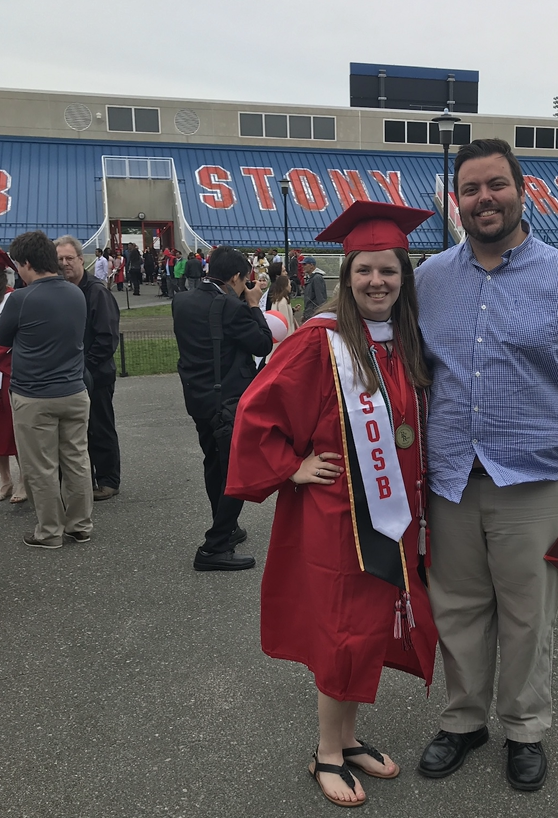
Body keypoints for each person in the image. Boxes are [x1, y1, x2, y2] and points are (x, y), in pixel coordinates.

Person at [415, 139, 558, 792]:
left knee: (530, 616)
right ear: (458, 201)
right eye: (471, 189)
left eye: (496, 185)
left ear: (521, 189)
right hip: (451, 480)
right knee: (459, 610)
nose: (484, 199)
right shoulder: (429, 279)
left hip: (537, 482)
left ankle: (525, 728)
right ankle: (464, 719)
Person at [225, 201, 438, 808]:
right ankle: (325, 753)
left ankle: (346, 740)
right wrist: (291, 468)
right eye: (365, 270)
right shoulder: (320, 342)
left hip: (391, 515)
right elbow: (253, 412)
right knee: (340, 629)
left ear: (404, 279)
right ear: (347, 277)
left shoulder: (403, 340)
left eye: (389, 272)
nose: (377, 282)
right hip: (336, 517)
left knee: (366, 627)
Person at [172, 246, 273, 571]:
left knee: (214, 463)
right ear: (235, 278)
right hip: (228, 400)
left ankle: (227, 526)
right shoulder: (232, 306)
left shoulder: (182, 301)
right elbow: (262, 342)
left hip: (198, 398)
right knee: (238, 471)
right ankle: (214, 546)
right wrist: (254, 304)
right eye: (244, 280)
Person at [0, 231, 93, 548]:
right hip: (73, 390)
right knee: (76, 460)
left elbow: (4, 337)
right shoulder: (75, 293)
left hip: (34, 395)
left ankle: (49, 531)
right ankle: (80, 524)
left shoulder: (20, 299)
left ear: (27, 263)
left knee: (40, 467)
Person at [56, 236, 122, 501]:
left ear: (81, 260)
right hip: (71, 375)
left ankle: (108, 480)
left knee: (100, 426)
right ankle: (85, 480)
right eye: (59, 259)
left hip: (96, 373)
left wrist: (85, 368)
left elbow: (107, 338)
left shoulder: (96, 292)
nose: (64, 264)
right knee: (76, 432)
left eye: (69, 258)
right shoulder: (61, 291)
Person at [0, 255, 25, 504]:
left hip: (8, 369)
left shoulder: (12, 298)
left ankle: (24, 479)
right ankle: (4, 479)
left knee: (15, 426)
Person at [302, 255, 327, 320]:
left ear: (311, 265)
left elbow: (320, 298)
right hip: (310, 313)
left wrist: (321, 313)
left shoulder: (317, 278)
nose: (303, 266)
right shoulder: (310, 277)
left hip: (314, 314)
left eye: (304, 264)